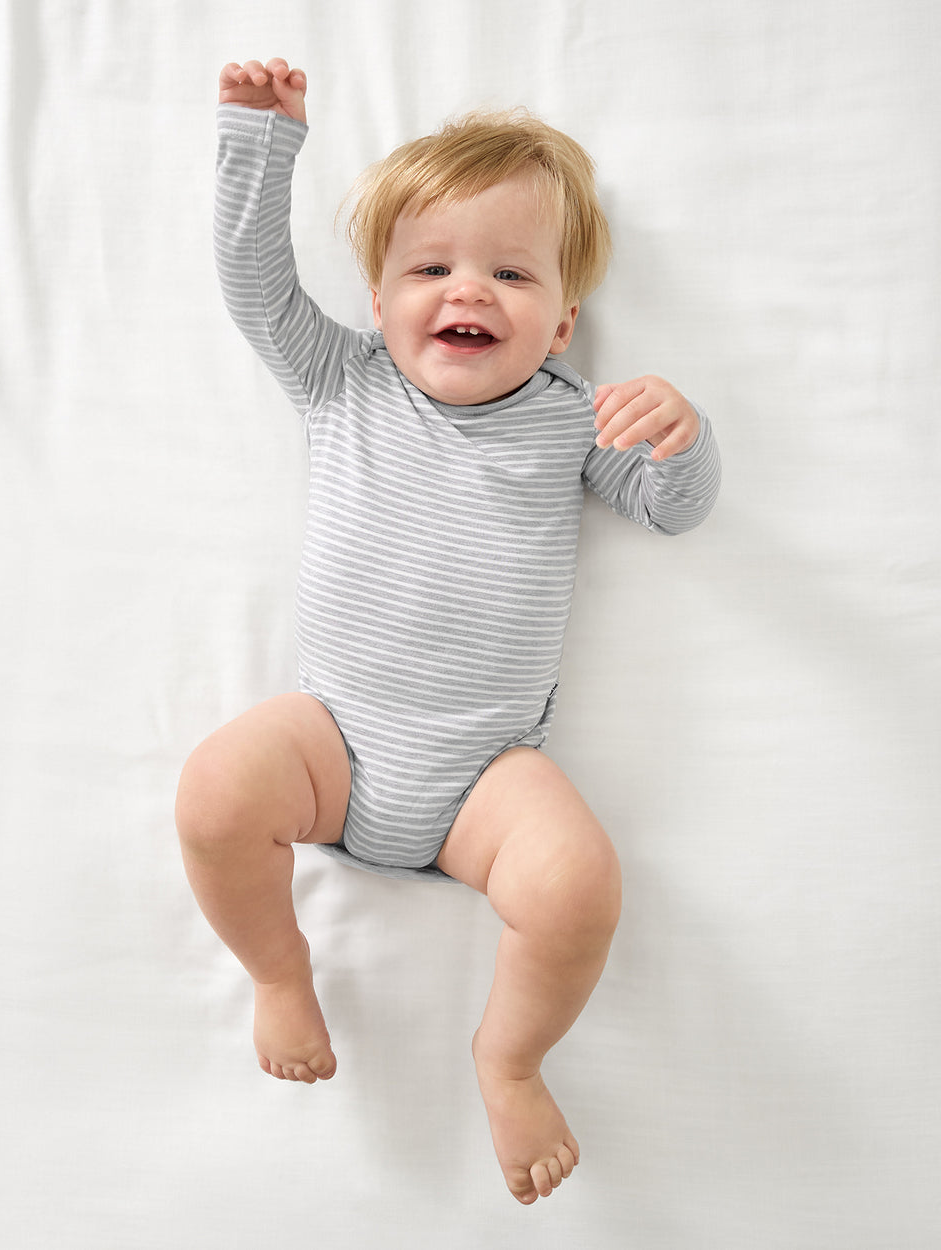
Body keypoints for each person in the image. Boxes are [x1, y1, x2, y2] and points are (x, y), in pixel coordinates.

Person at [176, 57, 720, 1205]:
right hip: (333, 741)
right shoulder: (342, 380)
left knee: (577, 884)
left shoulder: (571, 419)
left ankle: (508, 1054)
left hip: (484, 774)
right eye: (429, 267)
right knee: (217, 792)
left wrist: (680, 436)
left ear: (563, 319)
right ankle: (281, 971)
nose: (465, 291)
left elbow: (671, 510)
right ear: (376, 299)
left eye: (510, 272)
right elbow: (250, 277)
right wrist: (259, 140)